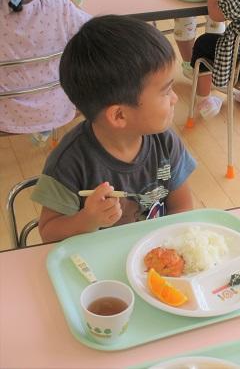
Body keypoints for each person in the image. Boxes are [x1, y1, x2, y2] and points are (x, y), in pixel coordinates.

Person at [31, 15, 197, 242]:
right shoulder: (69, 162)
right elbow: (48, 233)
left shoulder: (165, 143)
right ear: (119, 115)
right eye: (166, 91)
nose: (175, 98)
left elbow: (183, 206)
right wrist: (87, 220)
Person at [0, 0, 90, 144]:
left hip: (6, 116)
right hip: (57, 108)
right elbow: (93, 33)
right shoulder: (58, 5)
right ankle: (43, 129)